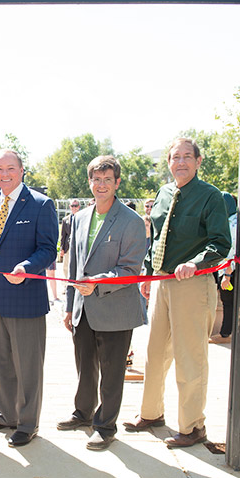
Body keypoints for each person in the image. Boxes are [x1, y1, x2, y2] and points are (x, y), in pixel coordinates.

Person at [124, 137, 230, 448]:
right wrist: (147, 273)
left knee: (189, 358)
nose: (180, 162)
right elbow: (155, 238)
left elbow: (220, 243)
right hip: (160, 282)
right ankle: (152, 414)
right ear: (169, 163)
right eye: (175, 157)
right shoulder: (163, 194)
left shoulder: (212, 197)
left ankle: (193, 427)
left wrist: (195, 263)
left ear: (199, 161)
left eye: (187, 156)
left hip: (192, 286)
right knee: (155, 354)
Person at [0, 149, 58, 447]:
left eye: (10, 168)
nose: (4, 174)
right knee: (0, 363)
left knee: (28, 365)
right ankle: (6, 415)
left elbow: (48, 249)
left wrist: (27, 267)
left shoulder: (40, 204)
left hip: (26, 298)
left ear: (22, 170)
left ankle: (27, 422)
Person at [60, 156, 146, 450]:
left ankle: (105, 426)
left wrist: (97, 281)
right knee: (84, 366)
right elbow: (75, 267)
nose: (101, 185)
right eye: (96, 180)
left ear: (117, 183)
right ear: (89, 182)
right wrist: (69, 306)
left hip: (116, 309)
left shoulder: (132, 222)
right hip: (83, 309)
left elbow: (131, 270)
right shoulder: (79, 218)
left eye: (107, 180)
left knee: (111, 372)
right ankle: (83, 413)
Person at [210, 193, 240, 344]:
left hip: (229, 268)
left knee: (228, 301)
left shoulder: (233, 224)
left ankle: (226, 334)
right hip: (228, 266)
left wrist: (228, 273)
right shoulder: (238, 221)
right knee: (227, 300)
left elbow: (233, 248)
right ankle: (227, 332)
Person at [59, 199, 81, 280]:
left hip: (78, 246)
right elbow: (63, 235)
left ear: (79, 207)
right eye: (72, 206)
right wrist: (62, 248)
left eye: (76, 206)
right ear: (70, 207)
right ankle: (66, 285)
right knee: (66, 267)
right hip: (68, 246)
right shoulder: (65, 219)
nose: (74, 208)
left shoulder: (83, 218)